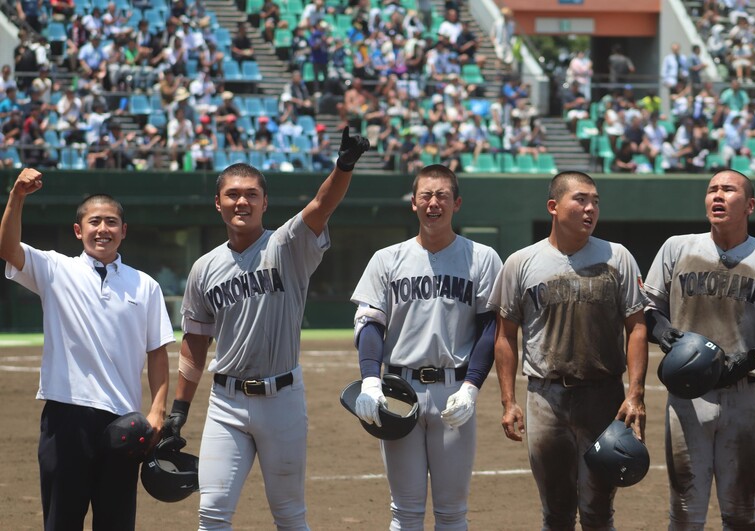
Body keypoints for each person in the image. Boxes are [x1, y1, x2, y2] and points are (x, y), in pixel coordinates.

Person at [164, 128, 370, 529]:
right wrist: (179, 410)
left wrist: (343, 165)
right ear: (218, 203)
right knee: (211, 512)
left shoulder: (287, 246)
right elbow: (195, 342)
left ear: (264, 202)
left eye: (251, 194)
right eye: (232, 194)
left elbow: (321, 205)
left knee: (289, 515)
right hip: (226, 403)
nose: (242, 201)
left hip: (282, 400)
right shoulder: (204, 268)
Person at [0, 168, 173, 530]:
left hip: (124, 423)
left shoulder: (146, 286)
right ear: (79, 230)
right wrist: (16, 196)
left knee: (116, 523)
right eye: (94, 221)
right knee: (61, 522)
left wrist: (158, 411)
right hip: (66, 416)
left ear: (123, 231)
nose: (103, 229)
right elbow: (8, 248)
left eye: (111, 222)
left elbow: (157, 352)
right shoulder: (54, 269)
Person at [489, 171, 648, 530]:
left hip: (604, 397)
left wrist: (635, 394)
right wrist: (508, 401)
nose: (590, 208)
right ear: (553, 206)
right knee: (556, 512)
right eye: (580, 199)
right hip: (546, 399)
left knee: (598, 512)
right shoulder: (521, 262)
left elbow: (637, 327)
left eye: (595, 201)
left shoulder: (618, 257)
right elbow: (505, 336)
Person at [350, 164, 502, 529]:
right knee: (404, 510)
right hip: (399, 390)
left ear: (457, 203)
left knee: (452, 511)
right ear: (414, 203)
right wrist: (370, 379)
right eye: (426, 196)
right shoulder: (387, 259)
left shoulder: (482, 257)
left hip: (454, 390)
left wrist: (471, 387)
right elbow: (370, 324)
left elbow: (490, 328)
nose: (434, 203)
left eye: (442, 196)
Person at [645, 169, 755, 529]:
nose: (718, 195)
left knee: (741, 513)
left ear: (750, 205)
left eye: (729, 190)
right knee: (684, 513)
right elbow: (648, 310)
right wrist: (664, 333)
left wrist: (752, 358)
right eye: (712, 189)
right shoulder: (677, 247)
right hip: (687, 396)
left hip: (744, 394)